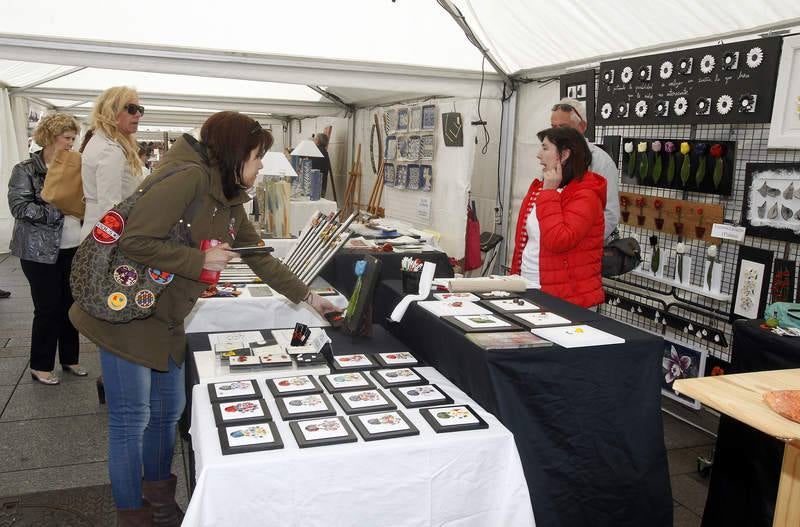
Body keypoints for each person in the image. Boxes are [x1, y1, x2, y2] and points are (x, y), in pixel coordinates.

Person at [69, 111, 340, 526]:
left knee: (166, 411)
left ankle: (159, 498)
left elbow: (259, 257)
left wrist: (309, 297)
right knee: (131, 418)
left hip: (166, 315)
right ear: (235, 154)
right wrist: (199, 259)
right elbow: (136, 239)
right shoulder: (187, 178)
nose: (261, 165)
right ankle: (132, 513)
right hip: (126, 314)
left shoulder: (228, 196)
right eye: (257, 156)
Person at [7, 113, 87, 384]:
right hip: (38, 251)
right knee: (48, 307)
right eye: (67, 138)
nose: (71, 144)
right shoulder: (25, 169)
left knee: (70, 305)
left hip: (72, 246)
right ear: (50, 138)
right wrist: (58, 210)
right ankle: (40, 364)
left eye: (73, 139)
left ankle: (70, 359)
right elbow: (19, 207)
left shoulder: (76, 166)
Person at [510, 126, 606, 308]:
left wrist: (549, 193)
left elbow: (559, 240)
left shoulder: (586, 196)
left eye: (545, 148)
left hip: (565, 299)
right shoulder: (542, 188)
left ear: (564, 155)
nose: (539, 155)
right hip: (529, 285)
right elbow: (524, 242)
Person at [550, 97, 620, 241]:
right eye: (553, 127)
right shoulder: (552, 158)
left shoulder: (601, 162)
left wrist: (584, 243)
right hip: (556, 243)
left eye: (563, 127)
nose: (556, 134)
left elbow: (610, 214)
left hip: (585, 250)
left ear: (582, 126)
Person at [80, 86, 144, 240]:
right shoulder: (109, 150)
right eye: (131, 109)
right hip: (107, 238)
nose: (138, 115)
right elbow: (110, 207)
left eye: (140, 109)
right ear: (112, 110)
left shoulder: (103, 142)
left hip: (100, 232)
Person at [311, 132, 335, 200]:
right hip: (321, 185)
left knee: (316, 205)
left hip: (316, 186)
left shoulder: (317, 151)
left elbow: (313, 166)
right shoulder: (324, 151)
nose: (314, 141)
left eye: (315, 139)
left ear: (318, 141)